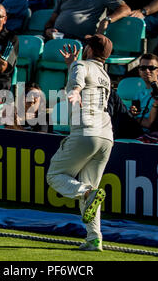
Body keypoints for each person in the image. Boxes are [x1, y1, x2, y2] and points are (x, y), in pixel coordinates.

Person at [46, 34, 114, 252]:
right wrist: (71, 65)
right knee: (92, 188)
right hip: (106, 137)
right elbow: (86, 79)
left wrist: (74, 91)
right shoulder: (105, 74)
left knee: (55, 176)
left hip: (86, 132)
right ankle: (94, 239)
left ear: (90, 49)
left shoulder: (81, 64)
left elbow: (77, 83)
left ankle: (86, 192)